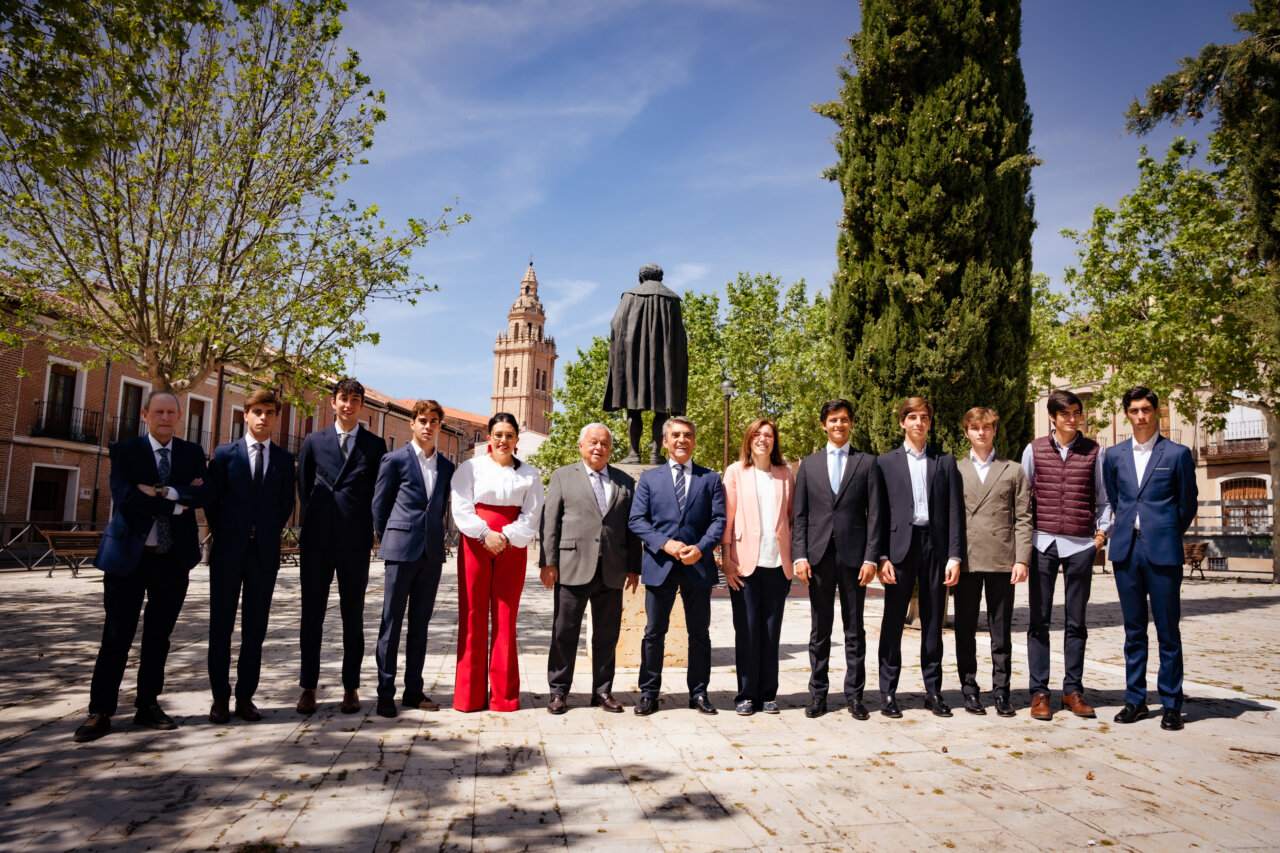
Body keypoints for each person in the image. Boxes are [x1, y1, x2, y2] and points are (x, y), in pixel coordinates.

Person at [74, 390, 211, 742]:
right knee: (116, 637)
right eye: (159, 412)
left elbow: (204, 495)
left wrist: (160, 492)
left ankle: (147, 705)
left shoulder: (192, 453)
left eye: (171, 412)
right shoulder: (124, 451)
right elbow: (125, 497)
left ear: (179, 417)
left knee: (158, 638)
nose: (165, 418)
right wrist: (179, 499)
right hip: (127, 561)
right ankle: (99, 711)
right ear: (146, 416)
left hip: (172, 559)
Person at [1103, 386, 1198, 731]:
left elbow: (1187, 504)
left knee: (1168, 629)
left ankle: (1172, 703)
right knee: (1133, 630)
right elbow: (1116, 500)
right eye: (1134, 410)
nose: (1140, 416)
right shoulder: (1113, 456)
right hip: (1126, 550)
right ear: (1125, 415)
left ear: (1156, 412)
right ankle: (1135, 700)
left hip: (1163, 550)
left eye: (1146, 409)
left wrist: (1166, 531)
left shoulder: (1176, 454)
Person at [296, 377, 387, 715]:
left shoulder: (375, 446)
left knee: (353, 616)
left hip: (355, 542)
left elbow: (378, 492)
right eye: (343, 398)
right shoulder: (313, 440)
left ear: (362, 405)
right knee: (311, 617)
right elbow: (304, 488)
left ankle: (351, 688)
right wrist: (320, 517)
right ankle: (308, 687)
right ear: (332, 402)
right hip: (317, 541)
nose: (348, 405)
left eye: (355, 400)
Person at [205, 390, 296, 724]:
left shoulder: (285, 461)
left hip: (264, 554)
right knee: (221, 627)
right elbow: (212, 503)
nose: (263, 417)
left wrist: (264, 531)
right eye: (257, 411)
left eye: (269, 412)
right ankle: (219, 698)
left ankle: (245, 696)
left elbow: (286, 504)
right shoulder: (224, 455)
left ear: (275, 417)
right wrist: (233, 531)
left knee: (255, 629)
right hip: (228, 552)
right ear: (245, 414)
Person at [1020, 389, 1111, 721]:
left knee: (1077, 622)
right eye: (1066, 414)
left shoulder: (1094, 452)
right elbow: (1023, 498)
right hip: (1042, 543)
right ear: (1053, 418)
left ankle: (1073, 690)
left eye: (1077, 413)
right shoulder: (1034, 450)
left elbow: (1104, 498)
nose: (1073, 419)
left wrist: (1099, 537)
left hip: (1079, 546)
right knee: (1038, 622)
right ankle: (1039, 693)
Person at [791, 399, 884, 720]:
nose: (839, 425)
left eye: (844, 420)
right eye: (833, 420)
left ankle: (855, 696)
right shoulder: (809, 465)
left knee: (854, 630)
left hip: (855, 558)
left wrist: (871, 557)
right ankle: (817, 695)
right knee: (820, 631)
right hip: (817, 558)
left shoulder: (867, 463)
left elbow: (876, 517)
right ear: (823, 425)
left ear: (851, 423)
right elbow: (800, 516)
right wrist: (799, 555)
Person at [539, 423, 640, 714]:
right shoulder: (562, 476)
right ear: (582, 446)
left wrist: (634, 567)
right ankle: (558, 691)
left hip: (612, 569)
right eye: (593, 442)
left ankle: (603, 691)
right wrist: (548, 562)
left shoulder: (624, 481)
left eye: (605, 444)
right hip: (571, 567)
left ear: (611, 448)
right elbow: (550, 522)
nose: (599, 448)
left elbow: (630, 528)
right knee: (564, 631)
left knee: (607, 635)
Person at [628, 416, 726, 715]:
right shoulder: (649, 479)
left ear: (694, 441)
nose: (682, 440)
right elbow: (637, 521)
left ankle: (698, 693)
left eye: (687, 435)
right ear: (666, 442)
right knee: (654, 633)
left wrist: (702, 548)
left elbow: (718, 520)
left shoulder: (710, 479)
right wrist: (664, 543)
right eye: (676, 435)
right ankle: (649, 693)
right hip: (660, 565)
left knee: (700, 634)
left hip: (697, 566)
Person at [875, 397, 963, 718]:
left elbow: (955, 512)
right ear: (902, 422)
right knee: (893, 621)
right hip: (899, 549)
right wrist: (881, 555)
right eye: (912, 417)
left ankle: (934, 691)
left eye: (924, 417)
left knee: (933, 622)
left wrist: (955, 555)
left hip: (935, 549)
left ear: (930, 423)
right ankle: (887, 692)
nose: (918, 423)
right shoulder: (885, 463)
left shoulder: (945, 462)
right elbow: (879, 515)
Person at [450, 412, 543, 711]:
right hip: (475, 543)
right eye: (498, 434)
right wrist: (484, 533)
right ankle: (469, 696)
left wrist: (506, 536)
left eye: (509, 435)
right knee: (473, 615)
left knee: (506, 618)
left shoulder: (530, 474)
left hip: (512, 546)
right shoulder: (470, 468)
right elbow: (461, 507)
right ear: (489, 437)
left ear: (517, 440)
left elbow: (532, 513)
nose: (503, 440)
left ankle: (504, 697)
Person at [371, 400, 456, 718]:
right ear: (412, 423)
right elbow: (379, 506)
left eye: (434, 420)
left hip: (431, 554)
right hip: (400, 551)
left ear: (439, 425)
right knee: (391, 624)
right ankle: (385, 693)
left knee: (420, 625)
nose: (428, 425)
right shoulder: (394, 459)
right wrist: (392, 537)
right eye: (422, 420)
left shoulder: (446, 467)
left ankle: (413, 690)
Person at [954, 407, 1032, 718]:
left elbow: (1024, 518)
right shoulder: (955, 469)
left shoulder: (1013, 470)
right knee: (965, 629)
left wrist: (1022, 559)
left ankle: (1002, 691)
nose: (981, 432)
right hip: (968, 560)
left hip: (1002, 559)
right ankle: (969, 689)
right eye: (975, 427)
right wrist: (952, 557)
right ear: (966, 432)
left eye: (987, 427)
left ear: (995, 430)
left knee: (1001, 631)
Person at [721, 418, 795, 716]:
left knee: (771, 631)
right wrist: (726, 559)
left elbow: (791, 518)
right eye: (758, 434)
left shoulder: (786, 474)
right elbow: (727, 517)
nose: (763, 439)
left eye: (769, 435)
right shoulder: (736, 472)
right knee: (748, 631)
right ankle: (746, 694)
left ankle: (767, 694)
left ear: (775, 441)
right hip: (744, 564)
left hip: (778, 564)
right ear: (749, 440)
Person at [603, 263, 689, 464]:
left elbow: (616, 324)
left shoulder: (630, 296)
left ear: (641, 277)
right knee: (662, 410)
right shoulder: (672, 299)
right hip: (664, 365)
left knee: (633, 409)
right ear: (660, 278)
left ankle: (633, 454)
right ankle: (656, 455)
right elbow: (679, 337)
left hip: (635, 364)